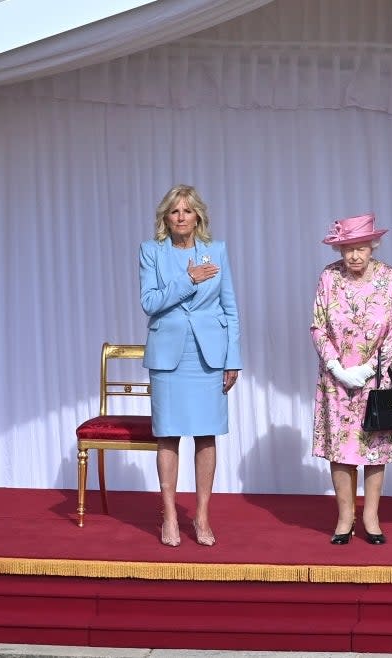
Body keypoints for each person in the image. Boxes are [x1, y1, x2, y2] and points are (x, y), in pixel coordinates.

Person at [139, 184, 242, 548]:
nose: (181, 217)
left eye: (187, 210)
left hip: (208, 356)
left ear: (198, 215)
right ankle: (169, 515)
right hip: (168, 355)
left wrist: (233, 358)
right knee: (167, 433)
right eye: (174, 211)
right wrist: (188, 279)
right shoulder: (151, 252)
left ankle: (201, 515)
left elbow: (230, 308)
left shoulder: (216, 251)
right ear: (165, 218)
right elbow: (150, 302)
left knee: (205, 433)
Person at [311, 213, 392, 545]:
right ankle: (344, 517)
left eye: (360, 247)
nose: (353, 255)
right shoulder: (328, 277)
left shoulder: (390, 277)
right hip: (336, 379)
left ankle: (371, 516)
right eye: (347, 248)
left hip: (375, 378)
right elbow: (318, 326)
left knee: (374, 448)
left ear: (372, 245)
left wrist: (368, 369)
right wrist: (338, 368)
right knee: (341, 448)